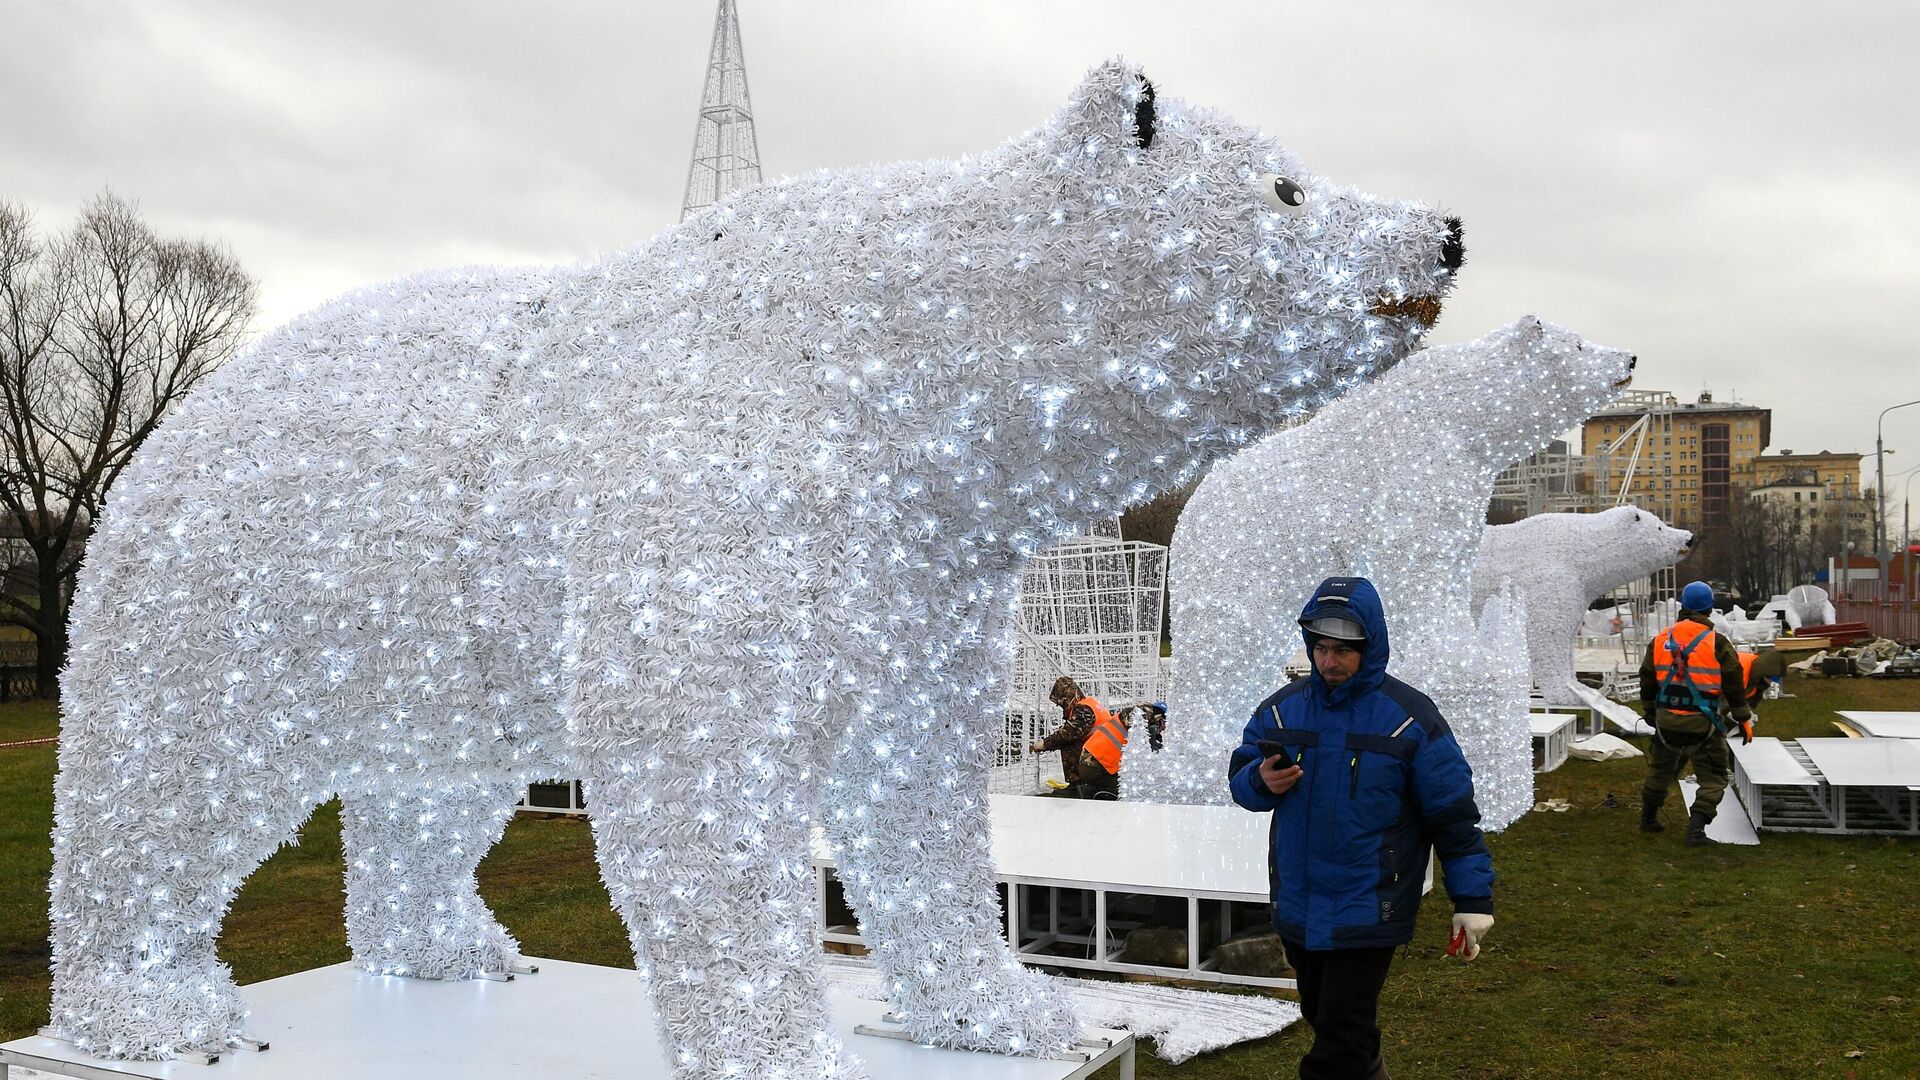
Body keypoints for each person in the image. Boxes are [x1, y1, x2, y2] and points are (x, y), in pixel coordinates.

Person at [1229, 577, 1495, 1080]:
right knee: (1327, 1019)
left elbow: (1454, 817)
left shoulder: (1410, 720)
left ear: (1370, 647)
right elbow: (1241, 781)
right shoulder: (1282, 710)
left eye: (1344, 651)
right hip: (1300, 901)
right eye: (1321, 648)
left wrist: (1473, 901)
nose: (1329, 662)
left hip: (1371, 904)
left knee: (1338, 1038)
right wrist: (1260, 780)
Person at [1638, 580, 1754, 846]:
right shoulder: (1718, 643)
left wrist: (1650, 713)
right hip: (1704, 724)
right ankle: (1696, 831)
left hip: (1667, 721)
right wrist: (1744, 718)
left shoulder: (1660, 640)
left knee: (1660, 770)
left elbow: (1647, 678)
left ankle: (1648, 819)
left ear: (1683, 607)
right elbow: (1735, 684)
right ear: (1710, 608)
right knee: (1713, 778)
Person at [1030, 677, 1108, 789]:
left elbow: (1066, 735)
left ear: (1066, 698)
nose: (1061, 707)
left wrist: (1043, 744)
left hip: (1101, 758)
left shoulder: (1083, 710)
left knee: (1068, 745)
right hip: (1104, 752)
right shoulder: (1090, 703)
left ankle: (1078, 785)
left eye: (1060, 703)